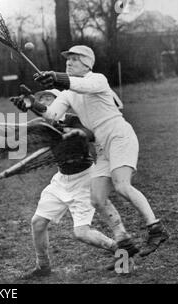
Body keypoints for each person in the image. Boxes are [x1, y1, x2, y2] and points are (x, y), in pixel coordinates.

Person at [13, 45, 169, 261]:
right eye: (68, 60)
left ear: (87, 63)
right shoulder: (68, 93)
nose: (69, 62)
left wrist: (57, 78)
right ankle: (123, 240)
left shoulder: (97, 79)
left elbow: (80, 85)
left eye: (75, 59)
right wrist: (31, 103)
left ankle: (156, 228)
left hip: (119, 134)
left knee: (122, 185)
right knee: (96, 198)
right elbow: (52, 115)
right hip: (102, 144)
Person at [11, 89, 118, 278]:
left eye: (49, 98)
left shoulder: (73, 120)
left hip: (85, 179)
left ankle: (120, 250)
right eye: (40, 98)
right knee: (37, 223)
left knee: (82, 233)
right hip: (61, 180)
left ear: (61, 101)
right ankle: (43, 266)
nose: (44, 101)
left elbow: (89, 132)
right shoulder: (42, 124)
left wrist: (72, 132)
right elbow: (11, 131)